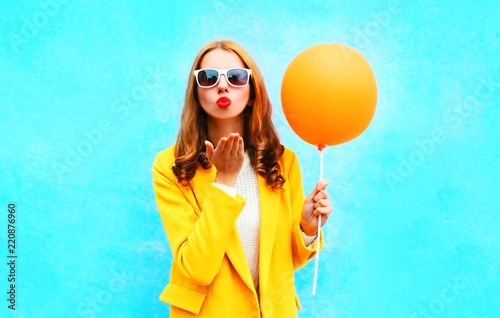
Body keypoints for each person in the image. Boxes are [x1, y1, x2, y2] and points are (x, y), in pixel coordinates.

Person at [152, 39, 333, 317]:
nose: (222, 86)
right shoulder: (171, 166)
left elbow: (288, 261)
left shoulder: (283, 161)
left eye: (236, 77)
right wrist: (224, 181)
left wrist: (308, 228)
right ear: (196, 91)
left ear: (252, 90)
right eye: (209, 77)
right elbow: (196, 268)